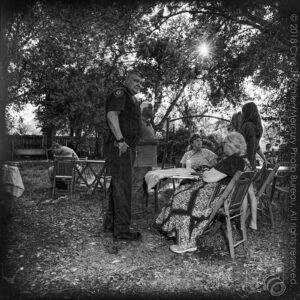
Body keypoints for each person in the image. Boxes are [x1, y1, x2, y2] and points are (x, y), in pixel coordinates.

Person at [154, 132, 251, 254]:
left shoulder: (232, 160)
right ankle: (179, 233)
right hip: (226, 196)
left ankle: (185, 243)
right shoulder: (241, 161)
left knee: (180, 197)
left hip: (216, 197)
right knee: (181, 192)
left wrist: (205, 173)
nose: (223, 145)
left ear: (231, 145)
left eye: (224, 143)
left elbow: (209, 178)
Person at [103, 69, 144, 241]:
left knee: (117, 185)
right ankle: (121, 230)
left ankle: (111, 223)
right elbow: (112, 115)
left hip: (126, 146)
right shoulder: (120, 93)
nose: (138, 85)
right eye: (135, 81)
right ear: (126, 80)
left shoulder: (131, 98)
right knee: (123, 187)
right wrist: (121, 141)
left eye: (140, 83)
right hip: (121, 146)